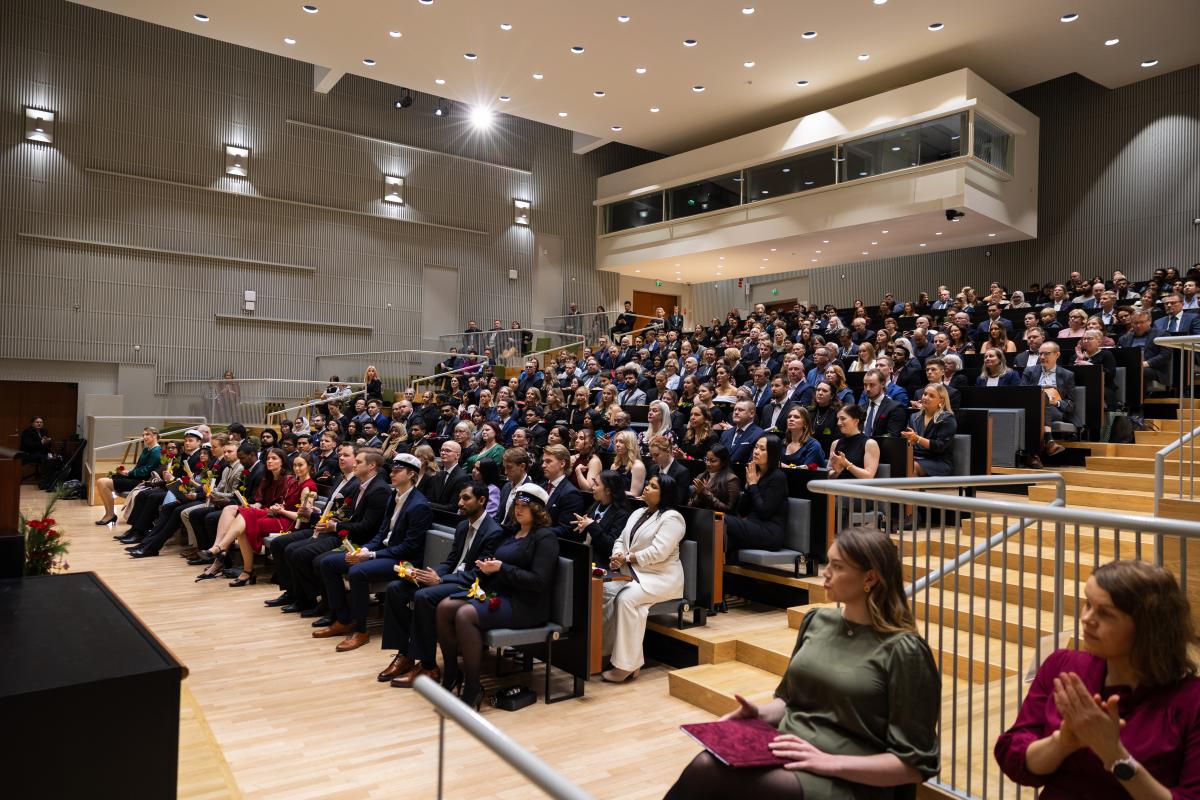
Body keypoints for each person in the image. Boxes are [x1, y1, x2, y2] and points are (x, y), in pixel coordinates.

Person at [664, 527, 940, 799]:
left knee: (708, 773)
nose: (826, 573)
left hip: (850, 778)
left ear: (870, 577)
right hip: (789, 750)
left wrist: (831, 762)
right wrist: (758, 714)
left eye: (838, 566)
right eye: (828, 562)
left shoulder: (904, 651)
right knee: (707, 763)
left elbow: (915, 764)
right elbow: (789, 701)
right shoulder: (817, 621)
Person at [995, 559, 1200, 799]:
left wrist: (1115, 755)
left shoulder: (1191, 702)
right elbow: (1013, 757)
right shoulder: (1062, 666)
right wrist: (1062, 742)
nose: (1086, 618)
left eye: (1105, 613)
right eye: (1087, 604)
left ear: (1147, 627)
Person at [435, 484, 560, 710]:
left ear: (537, 510)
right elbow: (499, 565)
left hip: (527, 605)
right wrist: (487, 568)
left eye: (525, 506)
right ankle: (452, 674)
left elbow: (539, 581)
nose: (518, 510)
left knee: (465, 614)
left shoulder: (545, 537)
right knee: (445, 606)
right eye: (516, 506)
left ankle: (474, 687)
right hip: (501, 594)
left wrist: (501, 568)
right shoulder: (511, 532)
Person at [378, 482, 506, 688]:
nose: (460, 503)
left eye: (466, 498)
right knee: (396, 588)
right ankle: (405, 654)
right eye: (459, 498)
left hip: (473, 585)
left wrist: (440, 580)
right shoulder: (463, 525)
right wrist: (432, 572)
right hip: (452, 579)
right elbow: (452, 560)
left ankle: (428, 666)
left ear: (482, 501)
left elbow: (479, 574)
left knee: (424, 596)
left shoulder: (494, 532)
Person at [313, 453, 433, 652]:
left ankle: (361, 630)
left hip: (403, 561)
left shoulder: (419, 505)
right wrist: (366, 549)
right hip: (385, 552)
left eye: (397, 471)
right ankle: (343, 619)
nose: (392, 474)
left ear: (411, 474)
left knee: (357, 572)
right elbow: (381, 534)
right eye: (392, 469)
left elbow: (409, 547)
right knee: (329, 563)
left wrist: (370, 555)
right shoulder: (394, 497)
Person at [601, 474, 686, 683]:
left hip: (661, 578)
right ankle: (609, 655)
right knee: (603, 593)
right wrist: (617, 558)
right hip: (632, 574)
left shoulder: (673, 518)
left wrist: (627, 558)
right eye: (647, 484)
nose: (646, 488)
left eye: (653, 486)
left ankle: (624, 666)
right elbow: (621, 539)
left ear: (664, 494)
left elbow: (659, 552)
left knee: (627, 599)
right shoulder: (638, 511)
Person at [199, 447, 314, 586]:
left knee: (245, 520)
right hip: (279, 515)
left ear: (310, 466)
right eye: (295, 465)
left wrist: (281, 511)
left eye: (300, 465)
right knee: (244, 518)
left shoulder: (307, 487)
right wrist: (279, 508)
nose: (296, 468)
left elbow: (303, 518)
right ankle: (235, 562)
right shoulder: (296, 482)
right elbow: (286, 503)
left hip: (287, 523)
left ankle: (226, 553)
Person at [724, 435, 788, 555]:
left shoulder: (778, 477)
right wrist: (748, 487)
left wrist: (753, 485)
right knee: (722, 534)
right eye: (756, 447)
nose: (756, 452)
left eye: (762, 449)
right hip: (753, 526)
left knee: (723, 520)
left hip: (770, 532)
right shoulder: (755, 474)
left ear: (773, 453)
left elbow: (764, 512)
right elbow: (742, 511)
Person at [94, 427, 161, 525]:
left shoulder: (156, 452)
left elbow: (146, 471)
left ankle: (110, 515)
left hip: (142, 482)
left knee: (102, 482)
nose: (144, 437)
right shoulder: (148, 449)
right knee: (101, 481)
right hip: (136, 478)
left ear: (155, 436)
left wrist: (129, 473)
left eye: (147, 434)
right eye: (143, 435)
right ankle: (109, 514)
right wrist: (126, 472)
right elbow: (139, 467)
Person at [1022, 341, 1077, 461]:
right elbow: (1022, 395)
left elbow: (1071, 405)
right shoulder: (1029, 372)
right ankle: (1048, 442)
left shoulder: (1067, 375)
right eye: (1040, 354)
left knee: (1044, 406)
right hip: (1033, 408)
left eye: (1046, 354)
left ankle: (1033, 455)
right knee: (1040, 406)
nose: (1042, 357)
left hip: (1055, 410)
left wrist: (1056, 402)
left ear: (1057, 355)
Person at [572, 469, 633, 562]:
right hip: (585, 555)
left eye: (596, 484)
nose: (593, 487)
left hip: (603, 562)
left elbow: (611, 546)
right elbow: (586, 535)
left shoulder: (622, 514)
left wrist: (591, 526)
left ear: (608, 490)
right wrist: (582, 526)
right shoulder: (596, 505)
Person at [903, 384, 958, 477]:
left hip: (938, 462)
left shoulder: (947, 419)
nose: (926, 397)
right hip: (915, 457)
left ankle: (911, 491)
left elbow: (939, 446)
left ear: (941, 400)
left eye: (931, 396)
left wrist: (917, 438)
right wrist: (908, 440)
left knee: (911, 466)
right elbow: (910, 441)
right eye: (925, 394)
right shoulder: (914, 417)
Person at [828, 405, 881, 480]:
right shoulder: (835, 443)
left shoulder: (870, 444)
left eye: (843, 419)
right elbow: (829, 474)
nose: (838, 423)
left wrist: (847, 464)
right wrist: (837, 472)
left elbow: (869, 477)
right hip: (837, 487)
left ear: (856, 421)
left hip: (858, 489)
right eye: (838, 419)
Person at [689, 443, 742, 513]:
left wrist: (705, 493)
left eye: (713, 461)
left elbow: (729, 509)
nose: (708, 463)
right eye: (706, 459)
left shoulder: (731, 479)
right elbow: (691, 505)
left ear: (723, 462)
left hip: (719, 519)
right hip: (699, 515)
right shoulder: (701, 476)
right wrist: (700, 494)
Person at [645, 435, 691, 507]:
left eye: (656, 455)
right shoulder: (653, 469)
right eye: (651, 455)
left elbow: (678, 500)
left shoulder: (682, 472)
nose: (653, 459)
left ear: (668, 452)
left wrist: (653, 498)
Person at [612, 430, 647, 496]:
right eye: (616, 441)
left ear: (630, 444)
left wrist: (613, 492)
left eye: (621, 442)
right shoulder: (614, 466)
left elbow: (634, 494)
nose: (617, 445)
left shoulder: (637, 466)